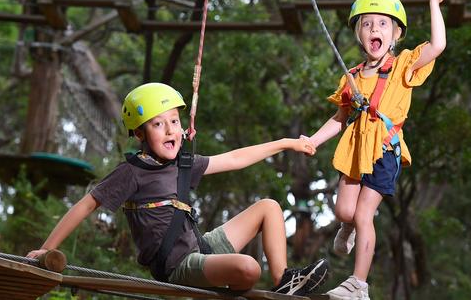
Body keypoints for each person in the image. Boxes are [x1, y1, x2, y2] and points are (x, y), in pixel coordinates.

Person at [27, 82, 329, 295]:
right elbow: (86, 205)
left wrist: (287, 143)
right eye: (158, 124)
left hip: (201, 248)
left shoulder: (184, 164)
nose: (171, 130)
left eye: (174, 120)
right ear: (139, 134)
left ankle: (284, 282)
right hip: (176, 265)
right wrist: (47, 247)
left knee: (269, 207)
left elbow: (236, 158)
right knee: (248, 268)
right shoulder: (131, 173)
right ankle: (221, 287)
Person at [301, 0, 454, 300]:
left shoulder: (403, 66)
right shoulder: (351, 76)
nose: (375, 28)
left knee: (362, 213)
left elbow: (437, 45)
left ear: (395, 34)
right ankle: (349, 228)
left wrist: (434, 4)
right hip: (355, 151)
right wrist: (313, 140)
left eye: (383, 23)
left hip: (384, 151)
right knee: (345, 212)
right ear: (359, 34)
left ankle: (358, 285)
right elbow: (340, 119)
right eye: (367, 23)